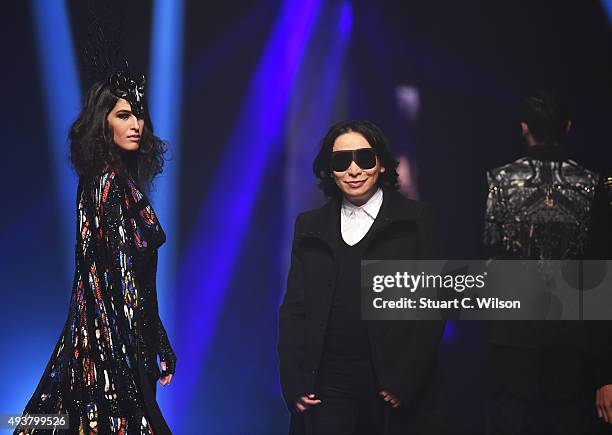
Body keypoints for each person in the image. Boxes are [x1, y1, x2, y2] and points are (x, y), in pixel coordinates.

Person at [15, 67, 176, 434]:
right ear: (102, 125)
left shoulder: (99, 182)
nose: (136, 124)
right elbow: (116, 278)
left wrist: (156, 339)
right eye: (123, 115)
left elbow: (121, 277)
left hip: (104, 341)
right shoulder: (110, 185)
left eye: (138, 115)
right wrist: (149, 343)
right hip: (112, 347)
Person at [278, 120, 445, 435]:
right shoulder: (309, 226)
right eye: (342, 161)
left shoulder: (416, 220)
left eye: (364, 158)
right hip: (326, 385)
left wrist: (404, 380)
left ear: (381, 164)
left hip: (390, 386)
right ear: (330, 170)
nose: (354, 169)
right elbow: (294, 310)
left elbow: (432, 308)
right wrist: (294, 380)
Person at [483, 91, 599, 434]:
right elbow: (598, 266)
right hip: (572, 333)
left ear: (523, 128)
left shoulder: (500, 181)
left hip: (512, 333)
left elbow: (490, 254)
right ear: (567, 127)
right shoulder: (592, 184)